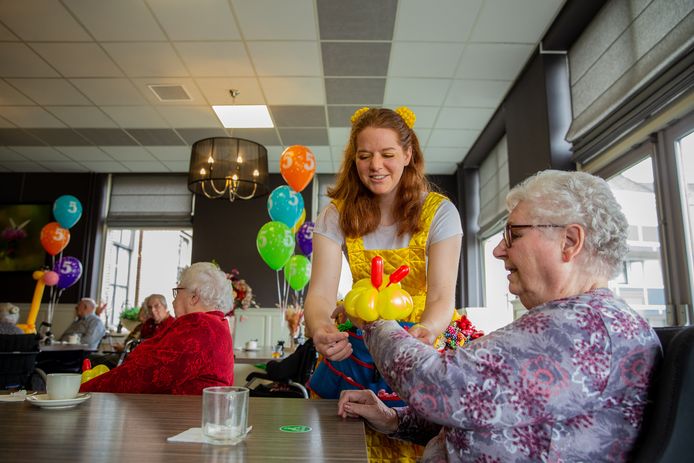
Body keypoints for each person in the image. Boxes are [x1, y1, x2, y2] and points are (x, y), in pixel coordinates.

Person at [338, 170, 662, 462]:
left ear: (570, 241)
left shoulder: (585, 330)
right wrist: (393, 419)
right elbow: (482, 408)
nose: (498, 250)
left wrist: (373, 315)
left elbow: (437, 382)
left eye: (514, 235)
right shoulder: (578, 322)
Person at [304, 106, 463, 460]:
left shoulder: (439, 212)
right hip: (362, 341)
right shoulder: (336, 213)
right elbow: (320, 292)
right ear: (354, 160)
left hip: (423, 340)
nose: (376, 165)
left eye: (388, 154)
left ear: (408, 154)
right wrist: (320, 329)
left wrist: (425, 332)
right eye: (365, 156)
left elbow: (440, 295)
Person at [81, 262, 234, 395]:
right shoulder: (214, 323)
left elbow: (145, 375)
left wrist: (86, 388)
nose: (173, 300)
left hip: (182, 420)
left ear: (194, 297)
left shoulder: (200, 327)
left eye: (177, 291)